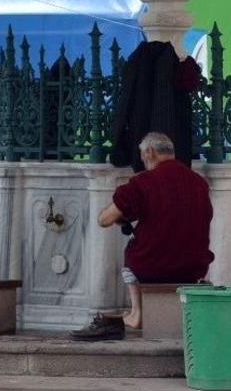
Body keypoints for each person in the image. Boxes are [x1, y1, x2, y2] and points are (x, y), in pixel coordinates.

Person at [72, 132, 214, 341]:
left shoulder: (145, 181)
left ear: (149, 152)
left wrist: (117, 214)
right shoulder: (198, 183)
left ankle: (137, 313)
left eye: (142, 155)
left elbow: (104, 220)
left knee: (132, 251)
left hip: (154, 267)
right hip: (194, 268)